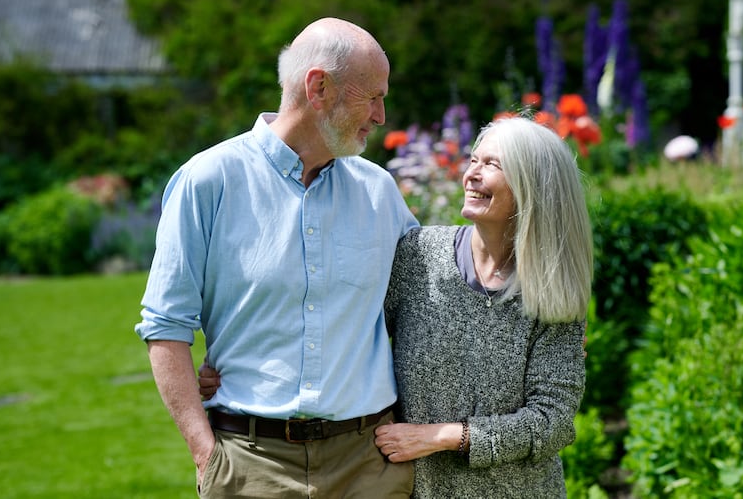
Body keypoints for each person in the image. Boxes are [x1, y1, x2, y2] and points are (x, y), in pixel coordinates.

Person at [201, 116, 592, 497]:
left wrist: (439, 438)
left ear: (533, 186)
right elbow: (341, 329)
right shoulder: (419, 256)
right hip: (416, 489)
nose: (472, 173)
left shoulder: (551, 291)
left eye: (492, 165)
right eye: (474, 159)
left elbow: (551, 421)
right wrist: (245, 363)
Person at [135, 17, 418, 498]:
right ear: (319, 87)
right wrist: (207, 456)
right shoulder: (208, 181)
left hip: (367, 466)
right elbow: (166, 326)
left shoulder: (380, 192)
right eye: (372, 96)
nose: (381, 115)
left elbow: (428, 301)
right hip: (250, 468)